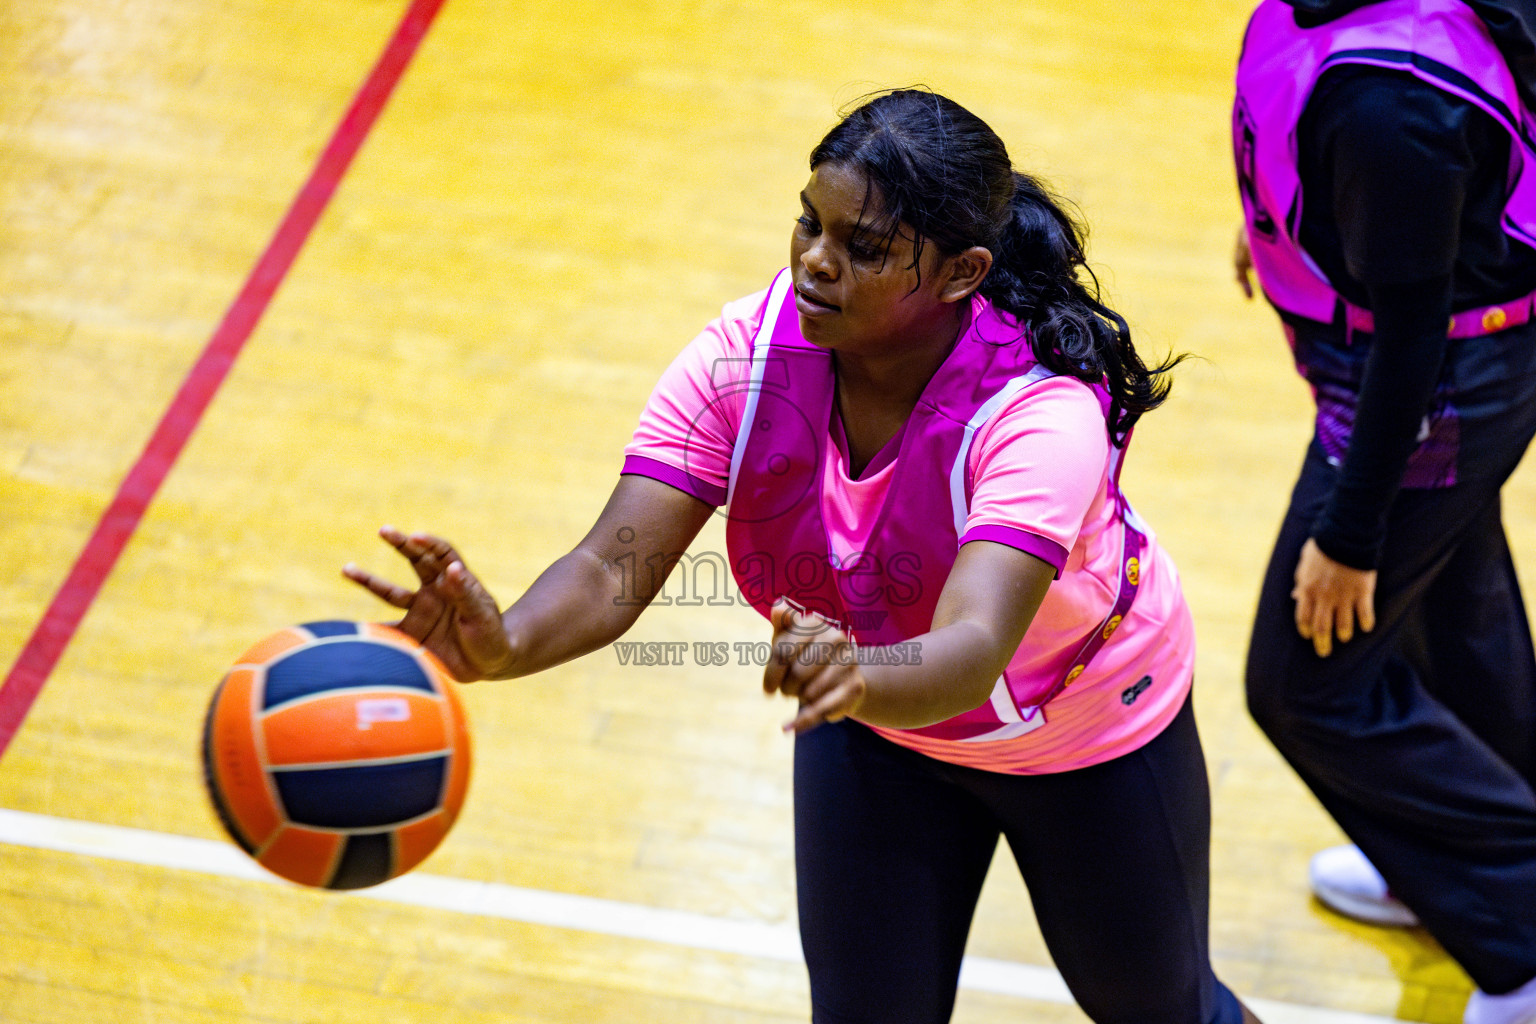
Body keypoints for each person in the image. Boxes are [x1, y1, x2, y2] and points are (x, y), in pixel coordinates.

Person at [347, 88, 1258, 1024]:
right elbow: (610, 567)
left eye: (863, 249)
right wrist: (507, 645)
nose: (816, 262)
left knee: (1167, 1013)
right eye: (808, 224)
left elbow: (970, 646)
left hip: (1085, 732)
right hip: (872, 722)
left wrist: (851, 675)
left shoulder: (1036, 414)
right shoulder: (742, 359)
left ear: (960, 273)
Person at [1233, 1, 1536, 1020]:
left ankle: (1523, 931)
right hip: (1435, 344)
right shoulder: (1341, 26)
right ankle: (1447, 877)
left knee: (1306, 680)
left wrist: (1350, 533)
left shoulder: (1388, 104)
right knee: (1452, 611)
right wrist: (1281, 223)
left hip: (1438, 380)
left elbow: (1411, 338)